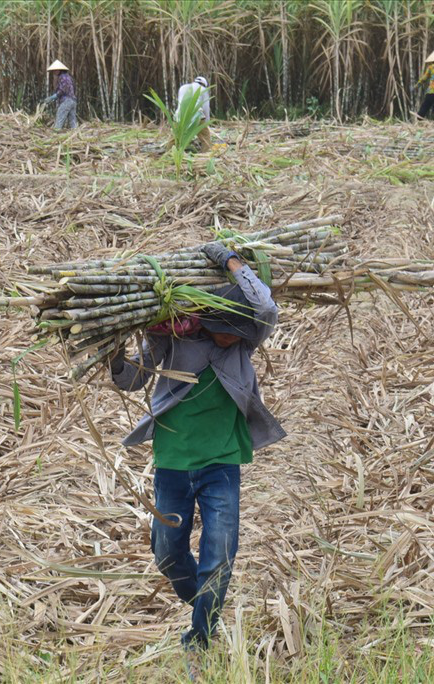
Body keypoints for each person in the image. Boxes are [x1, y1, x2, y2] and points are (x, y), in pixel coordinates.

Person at [109, 242, 285, 654]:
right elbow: (131, 380)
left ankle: (201, 634)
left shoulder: (243, 340)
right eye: (227, 329)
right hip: (173, 459)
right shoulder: (173, 337)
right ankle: (203, 604)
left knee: (221, 552)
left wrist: (231, 262)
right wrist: (114, 355)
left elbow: (266, 309)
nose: (233, 339)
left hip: (222, 462)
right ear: (205, 319)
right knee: (168, 553)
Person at [176, 76, 211, 152]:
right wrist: (207, 122)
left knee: (176, 137)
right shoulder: (203, 89)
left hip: (180, 115)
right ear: (204, 84)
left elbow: (180, 103)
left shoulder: (182, 87)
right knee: (205, 137)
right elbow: (206, 107)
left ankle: (170, 152)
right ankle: (205, 154)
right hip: (196, 114)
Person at [43, 60, 77, 130]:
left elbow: (63, 89)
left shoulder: (63, 77)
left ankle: (56, 133)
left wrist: (54, 97)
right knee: (72, 120)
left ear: (59, 70)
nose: (54, 72)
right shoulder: (68, 76)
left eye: (55, 70)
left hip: (67, 101)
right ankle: (75, 134)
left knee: (60, 115)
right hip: (73, 100)